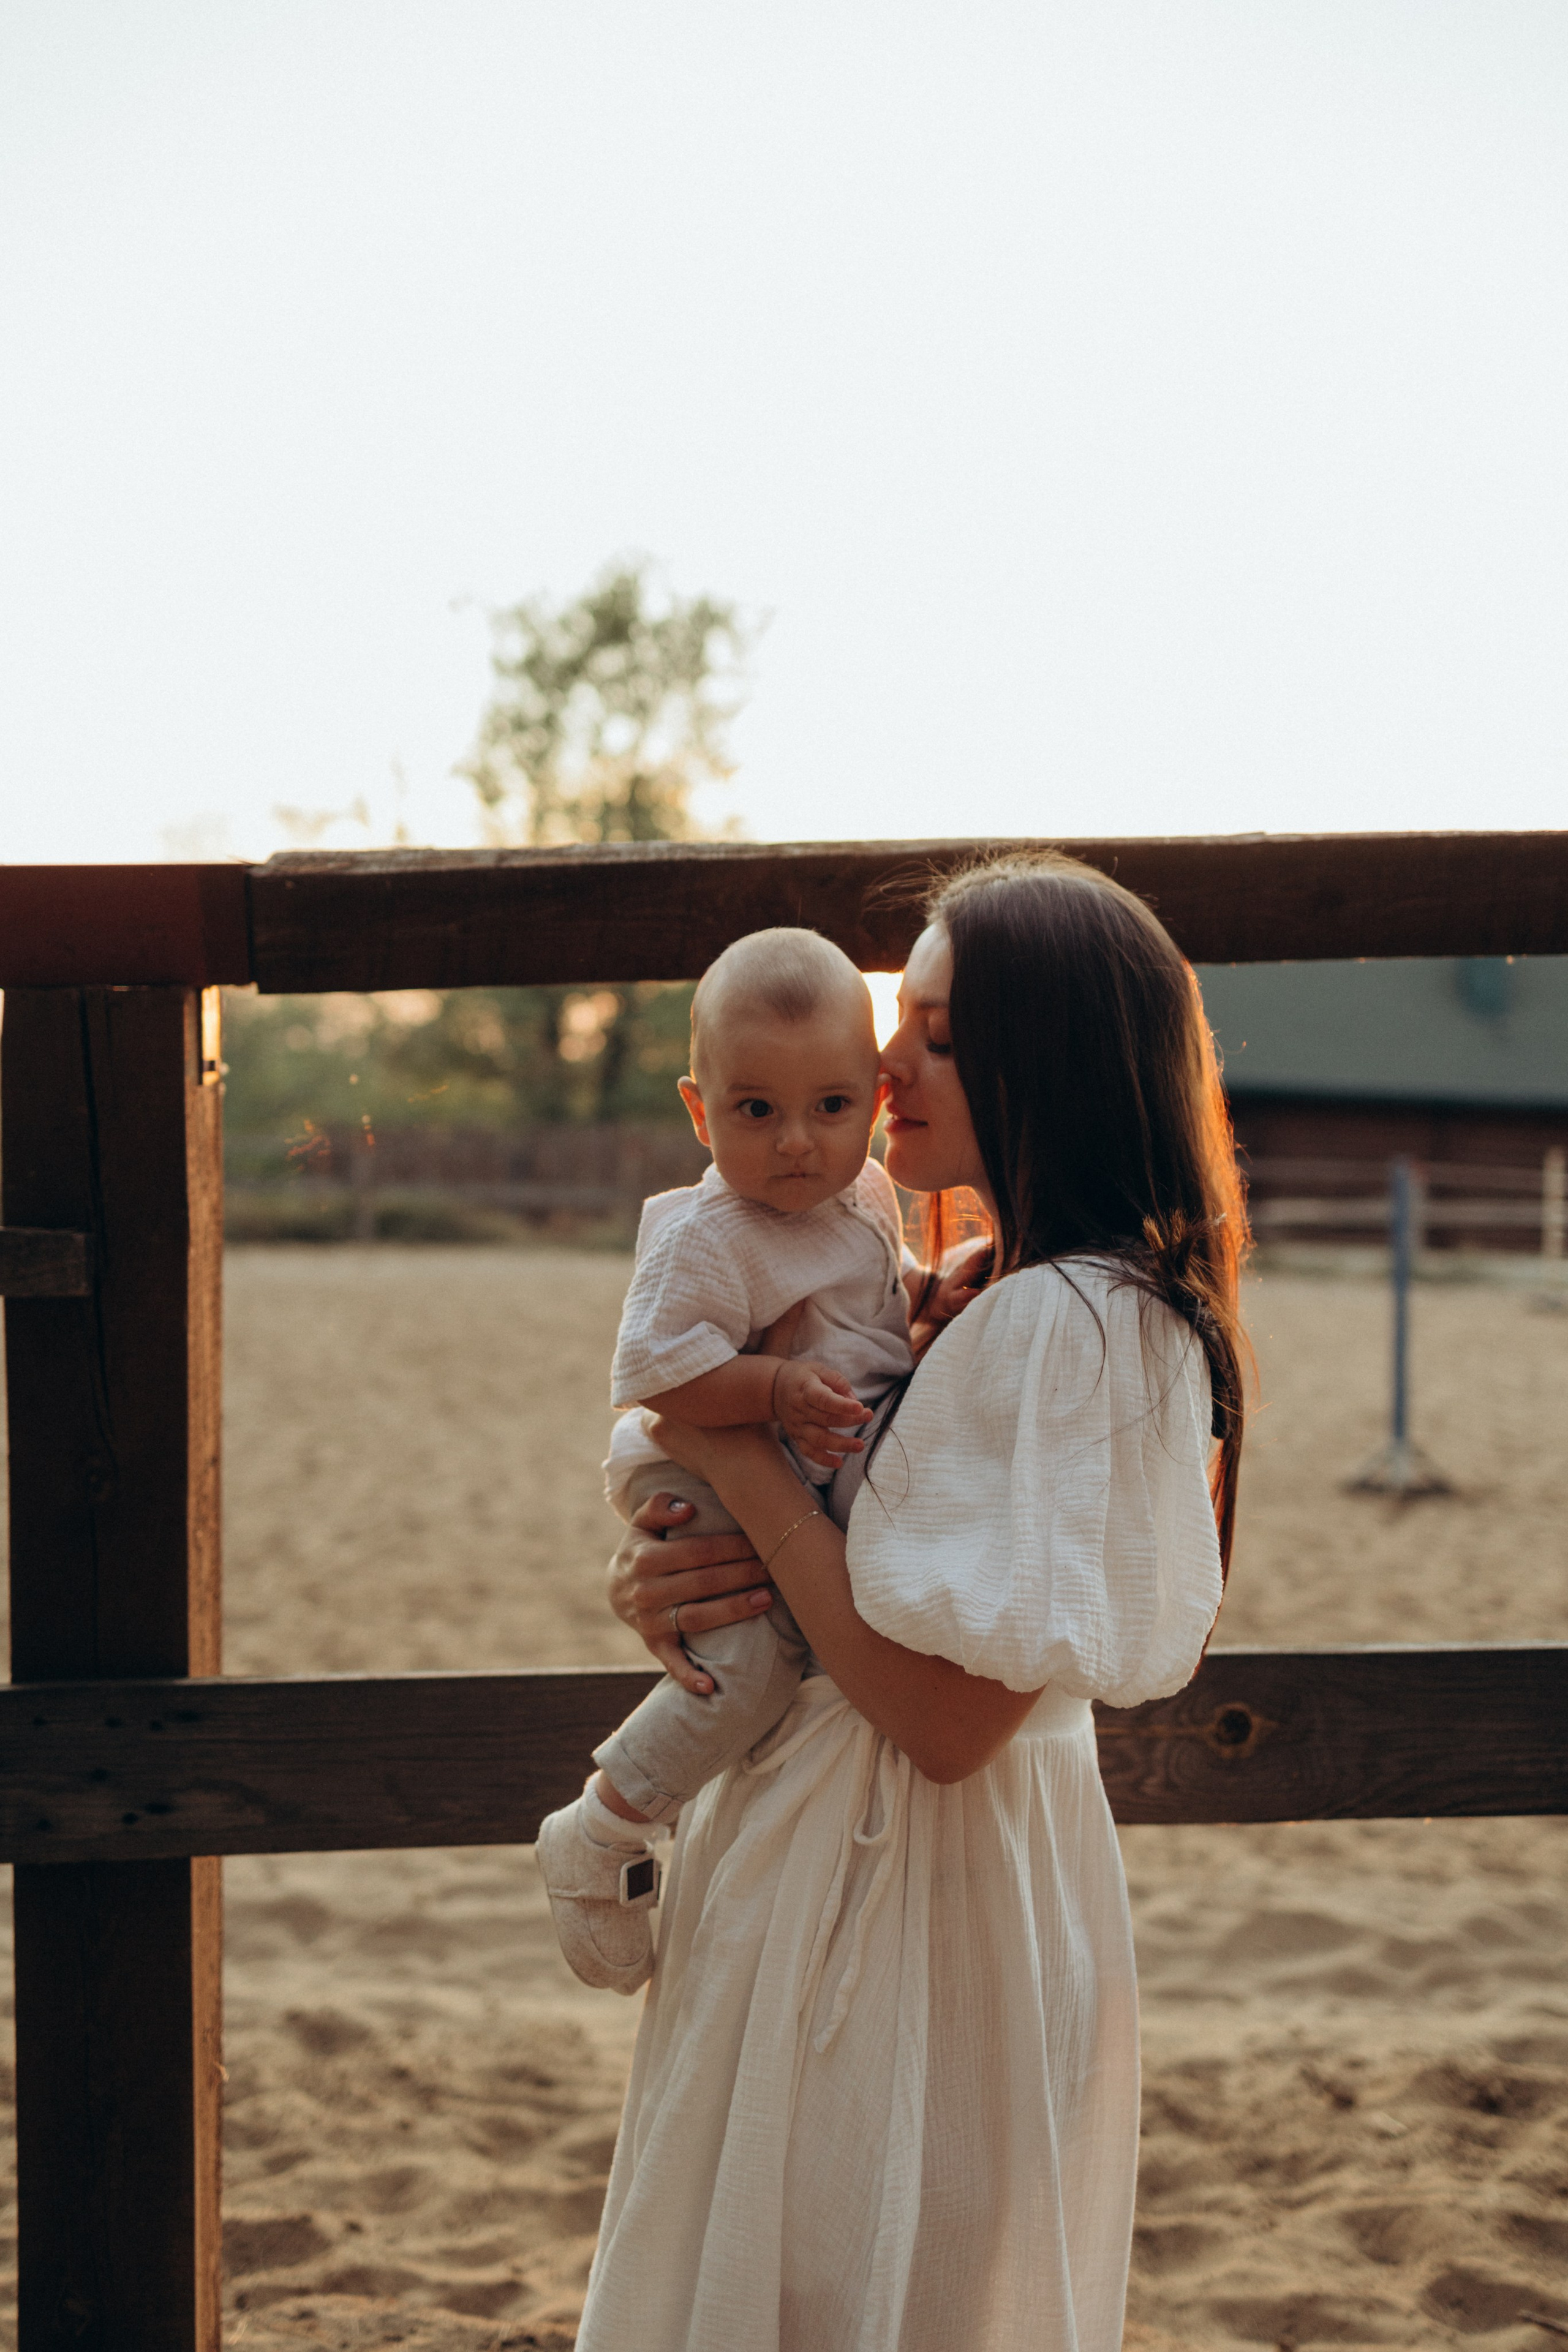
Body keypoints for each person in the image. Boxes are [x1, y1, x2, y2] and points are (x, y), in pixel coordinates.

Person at [573, 851, 1250, 2352]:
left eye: (937, 1032)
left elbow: (948, 1719)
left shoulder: (1068, 1327)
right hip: (865, 1859)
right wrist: (675, 1566)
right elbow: (864, 1567)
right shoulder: (978, 1291)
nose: (884, 1060)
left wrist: (723, 1454)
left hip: (906, 1895)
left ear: (1050, 1062)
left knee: (852, 2279)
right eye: (904, 1017)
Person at [537, 927, 930, 1992]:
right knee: (753, 1665)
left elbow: (872, 1301)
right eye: (756, 1111)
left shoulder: (865, 1199)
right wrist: (769, 1390)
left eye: (831, 1107)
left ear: (874, 1102)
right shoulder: (707, 1235)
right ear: (700, 1112)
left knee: (800, 1640)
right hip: (696, 1463)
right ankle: (601, 1832)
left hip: (775, 1456)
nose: (797, 1143)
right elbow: (656, 1373)